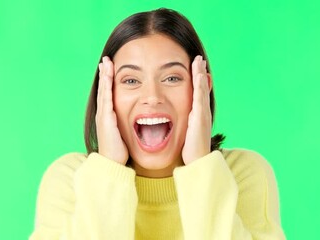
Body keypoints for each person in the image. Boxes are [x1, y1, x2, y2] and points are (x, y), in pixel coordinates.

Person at [29, 8, 286, 240]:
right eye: (130, 80)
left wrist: (201, 168)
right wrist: (108, 170)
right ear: (106, 94)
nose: (152, 97)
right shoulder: (70, 181)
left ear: (201, 88)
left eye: (172, 78)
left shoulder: (243, 174)